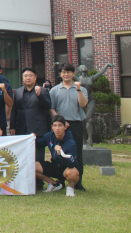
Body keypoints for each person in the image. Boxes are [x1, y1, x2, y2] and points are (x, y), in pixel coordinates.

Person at [10, 67, 51, 189]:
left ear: (35, 77)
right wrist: (12, 127)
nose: (28, 78)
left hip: (37, 129)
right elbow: (14, 111)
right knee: (22, 156)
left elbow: (48, 106)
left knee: (38, 157)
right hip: (21, 129)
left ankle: (38, 183)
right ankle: (24, 181)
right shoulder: (17, 92)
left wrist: (40, 96)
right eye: (25, 76)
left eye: (30, 76)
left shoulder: (43, 91)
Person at [50, 62, 88, 191]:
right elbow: (51, 108)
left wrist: (78, 90)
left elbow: (83, 104)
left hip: (76, 123)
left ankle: (77, 182)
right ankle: (61, 181)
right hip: (60, 126)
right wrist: (60, 122)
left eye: (69, 72)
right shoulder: (55, 90)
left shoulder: (81, 89)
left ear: (73, 73)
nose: (66, 74)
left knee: (77, 153)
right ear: (60, 74)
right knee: (60, 153)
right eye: (64, 72)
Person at [35, 115, 80, 197]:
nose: (57, 128)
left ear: (65, 127)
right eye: (55, 126)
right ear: (52, 127)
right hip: (54, 166)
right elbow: (38, 145)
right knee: (31, 167)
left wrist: (61, 154)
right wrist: (32, 139)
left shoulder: (71, 142)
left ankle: (70, 187)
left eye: (60, 125)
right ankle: (54, 184)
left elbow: (72, 163)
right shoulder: (49, 136)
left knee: (74, 173)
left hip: (65, 168)